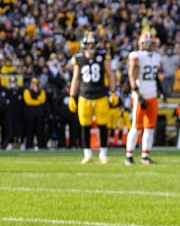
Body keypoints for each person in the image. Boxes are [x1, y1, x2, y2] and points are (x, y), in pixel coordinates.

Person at [68, 32, 115, 164]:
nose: (91, 46)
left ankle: (103, 153)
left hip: (100, 95)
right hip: (84, 96)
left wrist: (112, 92)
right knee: (85, 126)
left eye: (93, 44)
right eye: (88, 44)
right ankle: (87, 154)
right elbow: (75, 78)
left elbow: (110, 75)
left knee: (103, 125)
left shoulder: (103, 56)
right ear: (84, 45)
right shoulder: (78, 58)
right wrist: (72, 96)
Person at [125, 30, 166, 165]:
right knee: (136, 127)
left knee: (150, 127)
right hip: (140, 95)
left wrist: (161, 91)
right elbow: (132, 74)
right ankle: (129, 156)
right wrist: (136, 91)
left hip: (152, 95)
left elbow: (154, 76)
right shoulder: (136, 56)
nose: (150, 45)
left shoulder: (156, 57)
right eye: (147, 43)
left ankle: (145, 156)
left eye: (151, 43)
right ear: (141, 44)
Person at [22, 77, 47, 149]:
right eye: (33, 83)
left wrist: (36, 96)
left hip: (39, 114)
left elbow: (42, 100)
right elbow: (28, 101)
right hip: (29, 114)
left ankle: (40, 145)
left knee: (40, 130)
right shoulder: (27, 91)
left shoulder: (42, 91)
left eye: (35, 83)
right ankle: (29, 145)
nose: (34, 85)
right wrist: (38, 101)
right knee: (29, 130)